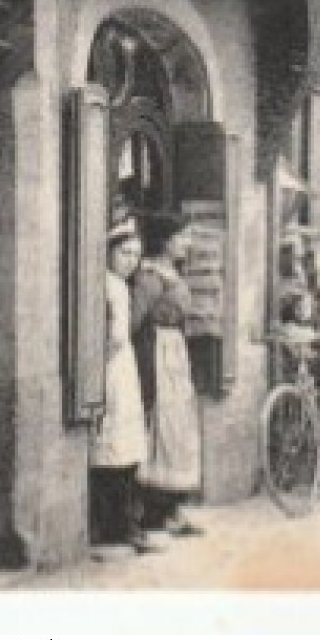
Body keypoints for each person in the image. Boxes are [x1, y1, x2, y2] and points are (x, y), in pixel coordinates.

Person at [131, 211, 205, 538]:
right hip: (158, 355)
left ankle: (173, 507)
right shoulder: (149, 277)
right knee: (162, 429)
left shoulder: (171, 272)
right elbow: (133, 320)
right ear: (165, 241)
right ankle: (155, 513)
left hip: (174, 353)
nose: (187, 243)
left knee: (178, 431)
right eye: (183, 237)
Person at [89, 212, 154, 557]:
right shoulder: (107, 285)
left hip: (123, 366)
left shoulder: (120, 286)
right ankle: (113, 525)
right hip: (111, 368)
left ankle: (126, 522)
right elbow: (112, 336)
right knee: (113, 441)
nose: (130, 261)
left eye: (135, 255)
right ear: (110, 253)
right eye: (124, 253)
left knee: (126, 440)